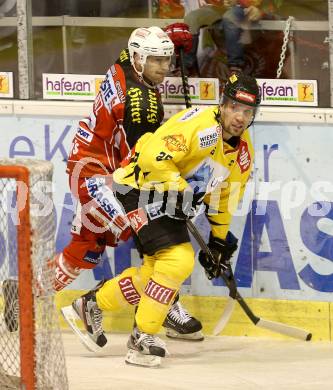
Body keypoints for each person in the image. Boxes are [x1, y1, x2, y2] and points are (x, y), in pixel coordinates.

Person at [3, 25, 203, 347]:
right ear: (139, 59)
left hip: (96, 166)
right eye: (157, 61)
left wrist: (165, 39)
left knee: (89, 249)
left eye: (167, 60)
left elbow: (139, 44)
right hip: (97, 174)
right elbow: (148, 159)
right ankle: (164, 302)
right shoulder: (141, 101)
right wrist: (174, 186)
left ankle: (23, 289)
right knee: (148, 230)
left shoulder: (127, 65)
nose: (164, 69)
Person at [74, 73, 261, 367]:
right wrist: (183, 191)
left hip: (168, 199)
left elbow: (224, 195)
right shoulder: (202, 128)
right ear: (222, 104)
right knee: (178, 260)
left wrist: (219, 239)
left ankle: (91, 304)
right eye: (235, 107)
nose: (240, 117)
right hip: (138, 187)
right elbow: (153, 158)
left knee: (156, 272)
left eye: (248, 112)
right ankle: (142, 336)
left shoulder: (241, 150)